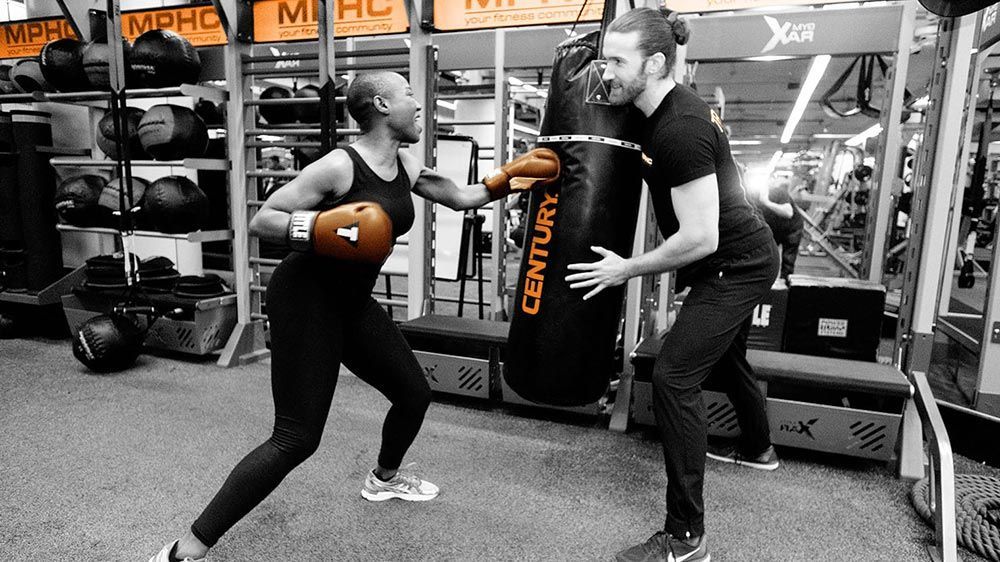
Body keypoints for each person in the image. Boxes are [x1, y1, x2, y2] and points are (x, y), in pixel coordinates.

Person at [149, 71, 560, 562]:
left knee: (413, 394)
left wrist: (511, 177)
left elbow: (461, 196)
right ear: (383, 104)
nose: (421, 105)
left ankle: (383, 478)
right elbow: (264, 221)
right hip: (306, 299)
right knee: (296, 438)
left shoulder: (405, 165)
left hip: (352, 300)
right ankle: (186, 548)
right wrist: (326, 228)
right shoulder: (339, 166)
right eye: (411, 95)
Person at [564, 9, 779, 562]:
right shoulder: (658, 110)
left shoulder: (680, 129)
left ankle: (686, 538)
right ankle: (758, 450)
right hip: (737, 256)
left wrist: (626, 267)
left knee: (675, 376)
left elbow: (701, 237)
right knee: (728, 362)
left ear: (655, 63)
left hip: (735, 264)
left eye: (616, 60)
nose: (604, 71)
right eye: (603, 58)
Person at [753, 176, 804, 281]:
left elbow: (788, 213)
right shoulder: (751, 197)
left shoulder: (778, 192)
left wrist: (766, 202)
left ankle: (785, 289)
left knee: (788, 261)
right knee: (767, 257)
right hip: (775, 230)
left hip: (791, 228)